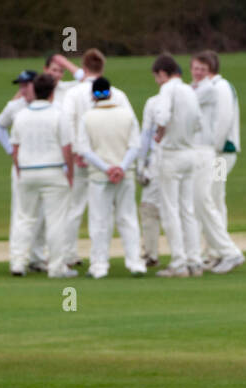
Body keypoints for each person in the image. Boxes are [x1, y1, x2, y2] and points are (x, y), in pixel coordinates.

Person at [59, 50, 133, 272]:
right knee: (109, 211)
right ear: (103, 68)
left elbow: (67, 123)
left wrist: (75, 154)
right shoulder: (117, 93)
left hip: (83, 160)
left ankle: (69, 254)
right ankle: (103, 257)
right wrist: (119, 163)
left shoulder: (73, 93)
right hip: (112, 161)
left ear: (84, 66)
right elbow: (128, 126)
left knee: (75, 208)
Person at [76, 77, 145, 278]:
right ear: (111, 93)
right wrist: (120, 168)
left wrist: (107, 169)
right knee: (128, 218)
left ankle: (99, 266)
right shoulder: (127, 116)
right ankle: (135, 263)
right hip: (125, 175)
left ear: (93, 96)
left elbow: (84, 150)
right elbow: (135, 146)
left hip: (99, 176)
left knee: (99, 220)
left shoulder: (87, 117)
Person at [9, 73, 75, 278]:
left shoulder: (21, 115)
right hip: (53, 170)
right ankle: (56, 267)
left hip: (27, 172)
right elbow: (67, 148)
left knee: (24, 219)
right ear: (52, 92)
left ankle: (18, 263)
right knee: (56, 220)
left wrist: (19, 170)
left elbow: (15, 148)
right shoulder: (58, 114)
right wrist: (70, 173)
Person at [147, 54, 205, 277]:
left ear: (163, 73)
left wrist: (160, 134)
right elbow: (199, 123)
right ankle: (195, 261)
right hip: (190, 153)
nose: (157, 81)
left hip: (171, 155)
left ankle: (179, 263)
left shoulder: (167, 89)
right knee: (187, 209)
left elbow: (161, 117)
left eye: (157, 77)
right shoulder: (190, 90)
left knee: (170, 210)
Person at [191, 51, 244, 272]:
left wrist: (213, 148)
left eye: (202, 69)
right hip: (213, 152)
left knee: (210, 198)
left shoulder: (219, 87)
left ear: (211, 69)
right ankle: (214, 251)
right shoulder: (202, 87)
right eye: (195, 68)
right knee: (213, 198)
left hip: (221, 153)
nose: (197, 72)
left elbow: (223, 120)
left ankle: (222, 252)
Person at [0, 70, 48, 273]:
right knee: (21, 214)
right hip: (22, 167)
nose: (23, 89)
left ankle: (37, 257)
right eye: (21, 86)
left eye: (27, 85)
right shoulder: (14, 107)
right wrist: (10, 150)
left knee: (42, 214)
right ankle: (18, 259)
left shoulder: (49, 105)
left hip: (45, 166)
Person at [136, 90, 165, 268]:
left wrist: (141, 165)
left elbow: (146, 135)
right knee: (210, 201)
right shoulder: (193, 95)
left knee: (213, 201)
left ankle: (221, 252)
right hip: (213, 157)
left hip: (219, 159)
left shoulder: (155, 102)